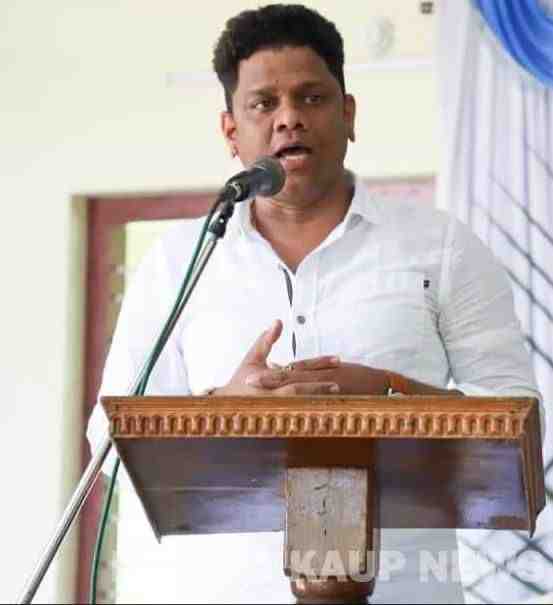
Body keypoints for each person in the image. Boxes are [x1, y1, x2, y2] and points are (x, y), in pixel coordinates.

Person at [87, 4, 542, 603]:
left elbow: (515, 420)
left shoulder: (442, 248)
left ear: (349, 114)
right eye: (263, 104)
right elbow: (110, 444)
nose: (289, 119)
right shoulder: (179, 263)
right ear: (231, 131)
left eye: (311, 98)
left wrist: (389, 393)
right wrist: (223, 410)